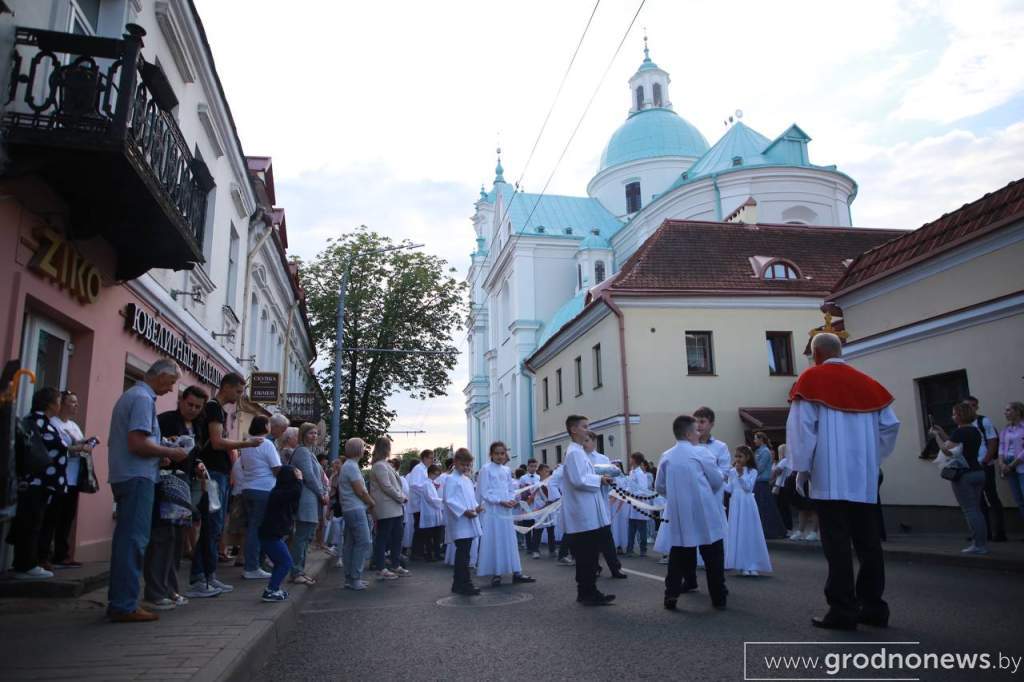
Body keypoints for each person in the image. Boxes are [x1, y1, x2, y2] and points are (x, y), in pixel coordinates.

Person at [787, 333, 900, 630]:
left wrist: (801, 469)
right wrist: (872, 458)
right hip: (863, 479)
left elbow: (802, 430)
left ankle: (843, 609)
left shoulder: (811, 380)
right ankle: (874, 606)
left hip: (829, 477)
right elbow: (890, 426)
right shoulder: (867, 382)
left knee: (837, 545)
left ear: (817, 354)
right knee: (868, 543)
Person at [106, 360, 190, 622]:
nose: (171, 388)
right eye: (172, 382)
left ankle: (121, 600)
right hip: (137, 477)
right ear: (161, 376)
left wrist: (159, 455)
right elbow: (137, 443)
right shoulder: (143, 399)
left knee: (127, 540)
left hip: (130, 474)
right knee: (134, 541)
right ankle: (125, 604)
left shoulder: (133, 395)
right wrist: (170, 452)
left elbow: (138, 444)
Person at [192, 373, 262, 596]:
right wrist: (246, 444)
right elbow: (217, 442)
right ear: (227, 388)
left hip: (219, 473)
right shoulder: (213, 408)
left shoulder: (219, 410)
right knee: (212, 525)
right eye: (238, 392)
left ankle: (209, 576)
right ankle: (200, 578)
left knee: (215, 526)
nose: (240, 397)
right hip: (212, 473)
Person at [144, 385, 207, 610]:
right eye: (190, 404)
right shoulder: (166, 420)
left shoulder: (198, 427)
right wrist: (165, 450)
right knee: (163, 537)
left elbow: (195, 453)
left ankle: (171, 589)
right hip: (164, 484)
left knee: (177, 538)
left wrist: (198, 465)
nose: (193, 410)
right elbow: (151, 445)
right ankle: (156, 591)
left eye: (198, 407)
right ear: (181, 401)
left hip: (182, 486)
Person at [656, 415, 728, 611]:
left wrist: (676, 496)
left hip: (680, 512)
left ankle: (670, 595)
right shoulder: (701, 453)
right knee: (713, 554)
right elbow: (716, 480)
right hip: (703, 509)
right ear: (688, 434)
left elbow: (659, 486)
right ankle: (718, 597)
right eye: (697, 430)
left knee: (678, 553)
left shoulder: (667, 455)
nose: (700, 433)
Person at [9, 387, 68, 580]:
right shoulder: (37, 421)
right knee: (31, 522)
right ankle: (25, 565)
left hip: (43, 483)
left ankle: (27, 562)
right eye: (59, 400)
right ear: (51, 403)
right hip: (36, 482)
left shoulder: (44, 422)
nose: (60, 404)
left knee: (36, 521)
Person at [562, 416, 616, 606]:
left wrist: (600, 479)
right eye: (585, 426)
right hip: (583, 513)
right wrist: (599, 480)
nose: (588, 430)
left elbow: (584, 477)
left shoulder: (579, 452)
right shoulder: (574, 453)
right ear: (574, 429)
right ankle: (587, 593)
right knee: (587, 556)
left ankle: (589, 591)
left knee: (590, 555)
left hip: (588, 511)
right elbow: (579, 480)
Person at [929, 402, 989, 555]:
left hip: (964, 475)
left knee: (970, 510)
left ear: (960, 416)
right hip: (978, 471)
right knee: (976, 509)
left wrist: (936, 437)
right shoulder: (975, 430)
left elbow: (947, 451)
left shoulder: (960, 432)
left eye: (954, 414)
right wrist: (942, 433)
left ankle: (978, 545)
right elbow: (957, 445)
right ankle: (981, 542)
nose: (952, 416)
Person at [41, 390, 92, 568]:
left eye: (77, 402)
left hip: (73, 478)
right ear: (61, 404)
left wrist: (88, 444)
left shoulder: (74, 426)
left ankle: (62, 555)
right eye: (72, 402)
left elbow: (79, 444)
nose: (76, 405)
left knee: (67, 518)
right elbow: (58, 447)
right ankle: (44, 556)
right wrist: (77, 448)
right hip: (57, 477)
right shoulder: (52, 424)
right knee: (52, 517)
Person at [476, 441, 535, 587]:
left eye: (502, 453)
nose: (500, 456)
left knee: (509, 540)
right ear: (491, 454)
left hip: (506, 510)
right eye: (496, 453)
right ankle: (496, 573)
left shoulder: (506, 470)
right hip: (494, 511)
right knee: (496, 539)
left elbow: (511, 488)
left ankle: (517, 572)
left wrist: (511, 500)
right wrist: (499, 501)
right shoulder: (485, 469)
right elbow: (484, 491)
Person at [284, 423, 327, 585]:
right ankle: (296, 572)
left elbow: (319, 476)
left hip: (311, 500)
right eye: (310, 433)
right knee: (301, 537)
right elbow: (309, 476)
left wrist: (322, 490)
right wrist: (321, 493)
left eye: (316, 433)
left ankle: (299, 570)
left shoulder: (309, 452)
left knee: (306, 537)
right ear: (303, 434)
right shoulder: (302, 452)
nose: (314, 436)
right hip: (306, 500)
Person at [238, 417, 280, 581]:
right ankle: (252, 566)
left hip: (248, 487)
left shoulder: (247, 443)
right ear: (265, 426)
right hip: (263, 488)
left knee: (251, 528)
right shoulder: (266, 443)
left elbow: (242, 465)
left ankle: (253, 564)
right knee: (257, 529)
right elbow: (276, 467)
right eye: (269, 424)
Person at [582, 432, 627, 579]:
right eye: (584, 440)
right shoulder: (579, 457)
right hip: (586, 503)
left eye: (587, 440)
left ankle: (615, 568)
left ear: (594, 441)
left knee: (607, 538)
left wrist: (609, 480)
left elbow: (611, 477)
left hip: (601, 502)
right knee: (590, 540)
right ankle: (595, 567)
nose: (584, 443)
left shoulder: (603, 458)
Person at [724, 446, 772, 576]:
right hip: (735, 503)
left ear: (748, 457)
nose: (737, 459)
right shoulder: (732, 471)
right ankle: (743, 564)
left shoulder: (752, 471)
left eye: (740, 456)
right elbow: (729, 489)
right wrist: (719, 481)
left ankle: (753, 564)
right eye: (736, 456)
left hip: (747, 503)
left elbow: (748, 487)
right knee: (739, 532)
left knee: (750, 531)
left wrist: (740, 474)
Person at [258, 465, 303, 602]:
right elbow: (296, 492)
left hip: (270, 535)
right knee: (285, 562)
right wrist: (299, 479)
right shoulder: (279, 493)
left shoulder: (278, 491)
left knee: (281, 562)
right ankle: (271, 590)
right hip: (270, 536)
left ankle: (274, 588)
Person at [966, 397, 1007, 542]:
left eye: (972, 406)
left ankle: (1000, 532)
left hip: (984, 465)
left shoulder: (984, 421)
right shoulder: (964, 425)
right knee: (978, 501)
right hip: (971, 466)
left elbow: (992, 442)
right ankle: (985, 532)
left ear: (976, 407)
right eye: (966, 406)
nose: (969, 408)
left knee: (992, 497)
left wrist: (986, 460)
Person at [444, 448, 484, 595]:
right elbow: (449, 500)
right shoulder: (450, 479)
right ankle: (464, 583)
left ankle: (458, 583)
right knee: (463, 553)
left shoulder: (466, 479)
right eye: (463, 465)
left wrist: (476, 507)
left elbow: (470, 497)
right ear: (455, 463)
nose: (466, 468)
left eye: (468, 465)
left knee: (465, 552)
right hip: (460, 521)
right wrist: (464, 511)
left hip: (469, 519)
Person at [368, 437, 409, 580]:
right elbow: (386, 486)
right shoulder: (379, 465)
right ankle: (381, 567)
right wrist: (401, 497)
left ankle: (395, 564)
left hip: (394, 508)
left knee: (397, 536)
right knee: (383, 537)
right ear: (385, 448)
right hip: (386, 508)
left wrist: (400, 497)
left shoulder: (384, 464)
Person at [339, 438, 374, 590]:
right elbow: (360, 490)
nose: (365, 450)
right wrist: (371, 502)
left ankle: (350, 577)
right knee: (363, 542)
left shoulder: (347, 466)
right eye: (363, 447)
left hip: (349, 508)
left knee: (350, 543)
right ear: (359, 450)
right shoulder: (352, 467)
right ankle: (355, 577)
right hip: (356, 508)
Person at [752, 432, 787, 539]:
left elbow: (760, 468)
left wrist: (749, 470)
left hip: (762, 483)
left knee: (766, 509)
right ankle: (765, 531)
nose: (754, 441)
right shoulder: (759, 451)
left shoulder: (765, 452)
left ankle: (773, 531)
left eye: (755, 439)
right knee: (762, 508)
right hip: (758, 483)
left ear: (761, 439)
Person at [998, 402, 1024, 533]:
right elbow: (1001, 447)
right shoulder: (1006, 429)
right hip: (1008, 465)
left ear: (1018, 411)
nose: (1005, 413)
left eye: (1008, 410)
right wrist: (1002, 463)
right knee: (1018, 499)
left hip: (1020, 465)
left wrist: (1012, 464)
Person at [406, 449, 434, 560]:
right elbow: (414, 485)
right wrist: (427, 492)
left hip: (424, 504)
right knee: (420, 528)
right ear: (424, 458)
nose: (432, 460)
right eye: (431, 458)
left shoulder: (425, 469)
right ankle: (417, 553)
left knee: (423, 528)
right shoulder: (418, 469)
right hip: (419, 504)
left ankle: (420, 552)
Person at [625, 452, 650, 558]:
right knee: (631, 529)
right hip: (632, 505)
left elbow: (643, 490)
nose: (629, 460)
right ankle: (629, 549)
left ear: (634, 460)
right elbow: (629, 486)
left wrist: (631, 494)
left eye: (631, 458)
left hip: (640, 505)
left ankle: (643, 549)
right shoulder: (632, 472)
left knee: (642, 530)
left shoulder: (640, 474)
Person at [420, 465, 446, 561]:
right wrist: (442, 501)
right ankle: (430, 555)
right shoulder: (426, 484)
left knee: (436, 536)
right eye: (436, 474)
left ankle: (436, 554)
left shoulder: (431, 483)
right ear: (431, 473)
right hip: (429, 513)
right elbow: (430, 498)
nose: (437, 476)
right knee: (429, 537)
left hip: (434, 512)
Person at [518, 458, 542, 558]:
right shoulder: (523, 478)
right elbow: (521, 490)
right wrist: (526, 497)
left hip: (536, 504)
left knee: (536, 526)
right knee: (527, 526)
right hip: (527, 504)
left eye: (535, 466)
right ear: (528, 467)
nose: (533, 468)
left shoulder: (539, 477)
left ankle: (535, 547)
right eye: (531, 466)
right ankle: (529, 547)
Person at [770, 443, 794, 535]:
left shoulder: (784, 461)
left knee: (782, 508)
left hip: (781, 486)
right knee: (784, 508)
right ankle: (788, 527)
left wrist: (770, 477)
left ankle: (786, 527)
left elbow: (776, 472)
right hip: (785, 485)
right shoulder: (790, 460)